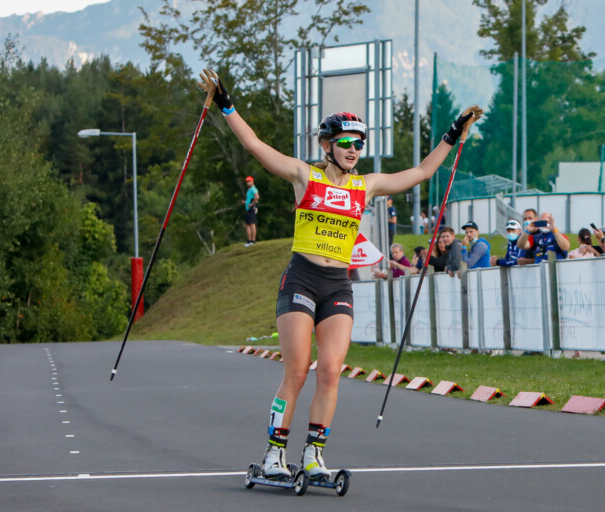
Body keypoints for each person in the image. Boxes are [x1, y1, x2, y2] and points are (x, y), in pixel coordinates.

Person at [199, 69, 482, 480]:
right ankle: (274, 454)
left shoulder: (365, 186)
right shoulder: (304, 175)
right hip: (301, 277)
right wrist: (226, 104)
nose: (354, 150)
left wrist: (453, 132)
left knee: (331, 370)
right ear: (326, 145)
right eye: (346, 143)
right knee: (297, 370)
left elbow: (421, 172)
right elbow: (254, 144)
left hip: (337, 284)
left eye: (360, 143)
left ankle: (314, 456)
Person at [243, 175, 259, 246]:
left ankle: (252, 240)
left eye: (249, 181)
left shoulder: (253, 189)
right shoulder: (249, 190)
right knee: (247, 224)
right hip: (248, 208)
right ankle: (249, 240)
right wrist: (245, 202)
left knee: (252, 224)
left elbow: (257, 197)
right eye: (247, 181)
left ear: (252, 181)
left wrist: (252, 204)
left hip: (252, 208)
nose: (247, 183)